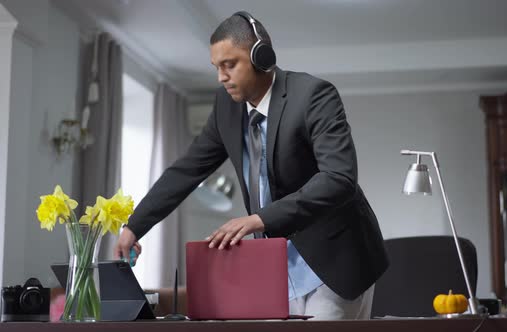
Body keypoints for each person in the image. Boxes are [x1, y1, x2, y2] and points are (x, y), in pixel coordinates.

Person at [114, 11, 388, 320]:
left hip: (335, 262)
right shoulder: (226, 109)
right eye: (217, 67)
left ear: (262, 56)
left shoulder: (314, 96)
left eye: (230, 65)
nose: (221, 77)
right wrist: (134, 227)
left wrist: (259, 219)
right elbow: (186, 171)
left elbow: (339, 178)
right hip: (277, 270)